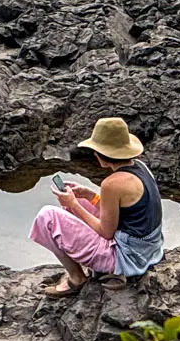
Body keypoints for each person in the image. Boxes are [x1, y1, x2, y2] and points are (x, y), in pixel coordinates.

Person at [29, 117, 166, 297]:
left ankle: (77, 278)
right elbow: (128, 211)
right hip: (150, 248)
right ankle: (90, 264)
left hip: (128, 259)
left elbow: (106, 232)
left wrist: (74, 205)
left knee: (47, 217)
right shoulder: (141, 167)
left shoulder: (111, 184)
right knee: (80, 203)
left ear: (102, 154)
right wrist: (88, 195)